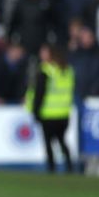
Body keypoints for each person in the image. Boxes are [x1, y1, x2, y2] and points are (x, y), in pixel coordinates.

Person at [26, 44, 75, 173]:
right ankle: (70, 166)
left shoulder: (45, 70)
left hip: (48, 112)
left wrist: (35, 111)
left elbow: (39, 93)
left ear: (50, 54)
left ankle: (51, 168)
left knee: (48, 143)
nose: (41, 55)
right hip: (64, 112)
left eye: (44, 52)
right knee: (62, 140)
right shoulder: (67, 69)